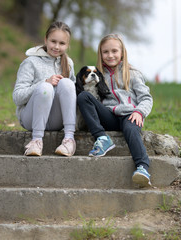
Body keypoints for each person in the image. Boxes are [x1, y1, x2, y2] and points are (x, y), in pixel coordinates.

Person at [77, 34, 153, 187]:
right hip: (109, 115)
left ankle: (142, 168)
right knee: (84, 97)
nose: (110, 55)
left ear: (122, 53)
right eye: (105, 52)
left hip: (129, 115)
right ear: (100, 54)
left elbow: (146, 98)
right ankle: (102, 139)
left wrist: (139, 112)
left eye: (114, 51)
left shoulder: (133, 73)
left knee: (131, 131)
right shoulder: (98, 74)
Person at [13, 21, 76, 157]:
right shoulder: (31, 62)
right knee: (45, 87)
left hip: (56, 120)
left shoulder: (68, 64)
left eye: (62, 43)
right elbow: (17, 97)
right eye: (53, 41)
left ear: (67, 45)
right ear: (45, 39)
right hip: (31, 118)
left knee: (67, 83)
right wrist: (44, 82)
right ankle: (36, 141)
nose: (57, 47)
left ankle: (69, 139)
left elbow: (71, 97)